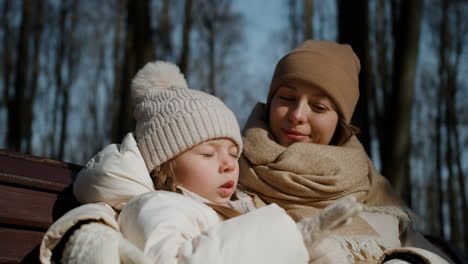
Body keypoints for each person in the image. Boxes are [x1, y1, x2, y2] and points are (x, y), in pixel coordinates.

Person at [40, 61, 361, 264]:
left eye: (233, 154)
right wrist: (294, 236)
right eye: (208, 154)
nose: (228, 166)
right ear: (166, 166)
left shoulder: (226, 209)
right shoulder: (155, 207)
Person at [237, 40, 454, 263]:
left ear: (340, 122)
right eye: (287, 98)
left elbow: (431, 253)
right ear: (271, 101)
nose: (297, 115)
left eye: (319, 107)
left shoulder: (373, 191)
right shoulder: (224, 173)